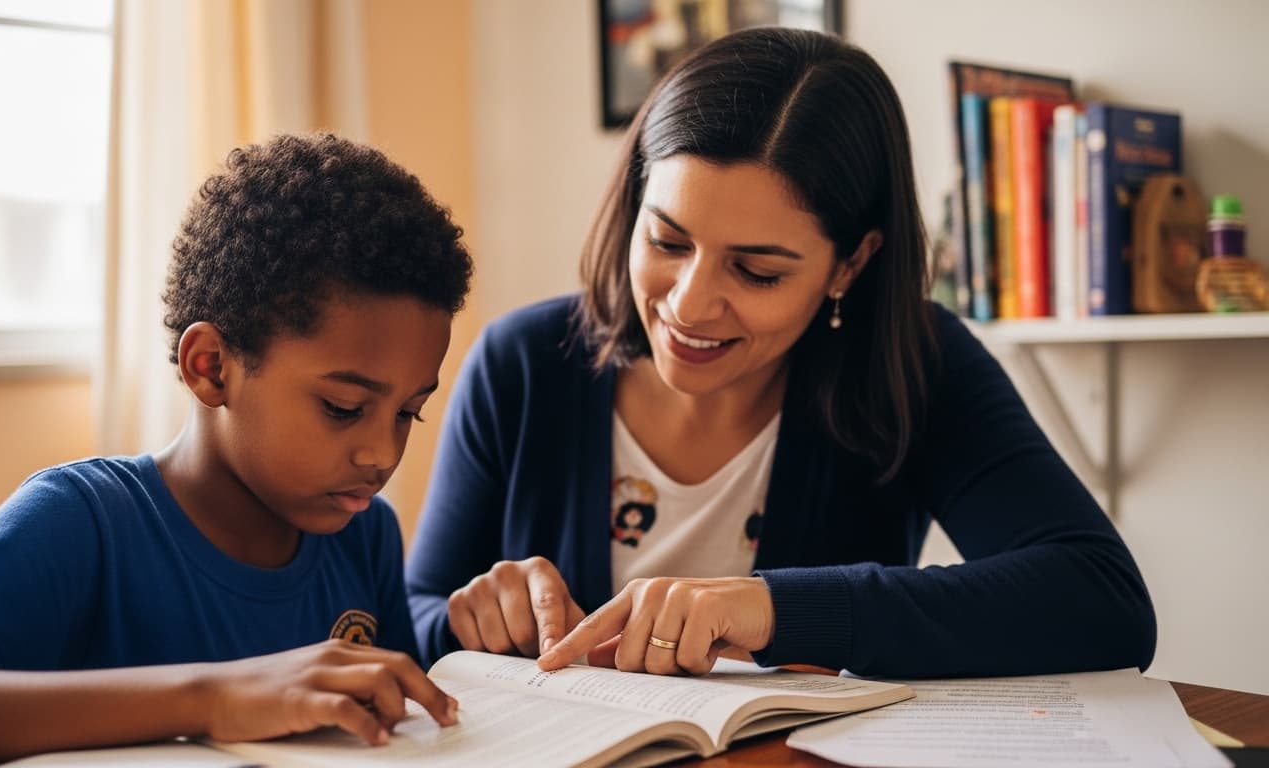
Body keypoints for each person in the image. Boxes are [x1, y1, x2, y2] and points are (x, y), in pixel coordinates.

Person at [406, 28, 1156, 679]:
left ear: (850, 264)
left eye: (757, 271)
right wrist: (468, 621)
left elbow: (1102, 600)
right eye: (667, 241)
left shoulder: (913, 364)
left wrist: (775, 608)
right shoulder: (525, 362)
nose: (689, 304)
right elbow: (409, 617)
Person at [0, 133, 472, 765]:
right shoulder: (83, 521)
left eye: (408, 412)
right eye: (342, 408)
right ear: (211, 367)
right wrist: (215, 697)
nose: (381, 453)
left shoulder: (362, 536)